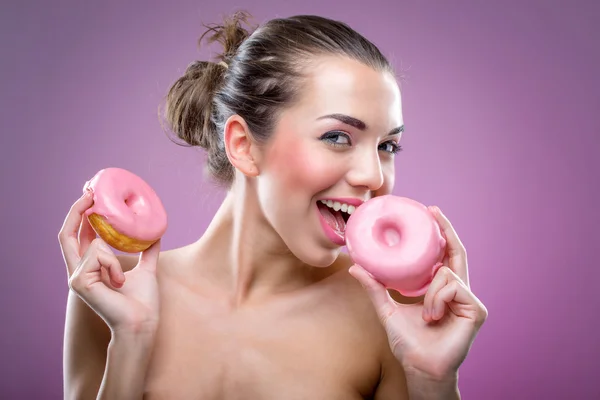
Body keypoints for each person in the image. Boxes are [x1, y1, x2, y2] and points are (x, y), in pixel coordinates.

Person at [59, 11, 487, 400]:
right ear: (243, 145)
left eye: (388, 145)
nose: (375, 177)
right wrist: (130, 339)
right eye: (337, 137)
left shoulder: (390, 319)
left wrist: (432, 379)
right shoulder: (111, 294)